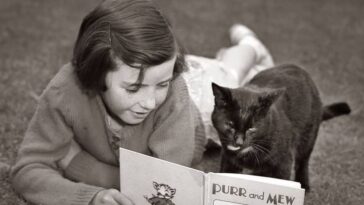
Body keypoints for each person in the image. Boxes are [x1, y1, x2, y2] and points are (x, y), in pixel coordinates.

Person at [10, 0, 273, 205]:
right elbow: (28, 169)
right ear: (95, 73)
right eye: (133, 88)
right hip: (163, 71)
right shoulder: (63, 92)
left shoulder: (172, 92)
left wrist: (80, 166)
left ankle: (250, 46)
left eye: (161, 86)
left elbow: (163, 186)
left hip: (200, 98)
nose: (149, 102)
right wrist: (89, 197)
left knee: (228, 72)